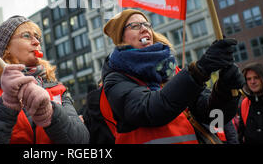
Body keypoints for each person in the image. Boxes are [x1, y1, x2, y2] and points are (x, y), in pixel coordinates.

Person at [99, 9, 244, 144]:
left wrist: (225, 89)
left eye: (146, 24)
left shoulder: (171, 70)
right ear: (121, 39)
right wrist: (200, 70)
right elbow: (149, 109)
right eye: (135, 26)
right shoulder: (116, 78)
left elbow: (213, 115)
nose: (144, 29)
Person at [0, 15, 89, 144]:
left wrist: (51, 114)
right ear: (6, 48)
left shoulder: (57, 89)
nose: (36, 42)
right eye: (27, 36)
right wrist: (6, 107)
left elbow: (81, 141)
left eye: (37, 37)